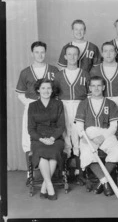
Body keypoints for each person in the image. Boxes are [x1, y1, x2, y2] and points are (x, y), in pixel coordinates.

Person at [75, 76, 118, 196]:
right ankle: (105, 182)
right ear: (89, 88)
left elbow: (113, 126)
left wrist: (102, 137)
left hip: (106, 133)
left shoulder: (110, 103)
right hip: (88, 135)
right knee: (88, 154)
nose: (96, 88)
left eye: (99, 85)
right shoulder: (83, 104)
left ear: (103, 87)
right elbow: (79, 126)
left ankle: (101, 182)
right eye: (93, 85)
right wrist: (85, 138)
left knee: (117, 151)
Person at [16, 41, 59, 170]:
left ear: (45, 53)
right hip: (31, 108)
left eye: (42, 52)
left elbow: (57, 91)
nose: (40, 55)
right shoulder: (25, 72)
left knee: (52, 135)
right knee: (28, 138)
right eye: (37, 52)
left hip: (50, 108)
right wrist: (33, 105)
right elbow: (20, 94)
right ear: (32, 53)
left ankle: (53, 170)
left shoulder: (53, 70)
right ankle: (30, 172)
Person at [90, 41, 118, 152]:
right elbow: (91, 91)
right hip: (101, 102)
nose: (108, 54)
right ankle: (105, 160)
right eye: (105, 51)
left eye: (111, 51)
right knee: (102, 129)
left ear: (115, 53)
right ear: (102, 53)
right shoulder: (95, 70)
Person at [28, 78, 65, 200]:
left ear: (52, 90)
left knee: (54, 152)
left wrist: (53, 138)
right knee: (42, 153)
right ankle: (49, 185)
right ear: (38, 90)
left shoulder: (58, 104)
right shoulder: (32, 106)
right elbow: (31, 129)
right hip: (38, 139)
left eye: (49, 88)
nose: (46, 90)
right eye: (43, 88)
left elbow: (61, 126)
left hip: (56, 137)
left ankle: (45, 186)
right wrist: (42, 139)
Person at [54, 44, 90, 160]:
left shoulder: (85, 74)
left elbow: (89, 94)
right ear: (65, 56)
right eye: (69, 54)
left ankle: (79, 156)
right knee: (65, 129)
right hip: (64, 104)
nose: (72, 56)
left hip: (80, 104)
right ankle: (67, 155)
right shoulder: (59, 75)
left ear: (78, 56)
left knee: (79, 129)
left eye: (75, 54)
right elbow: (54, 94)